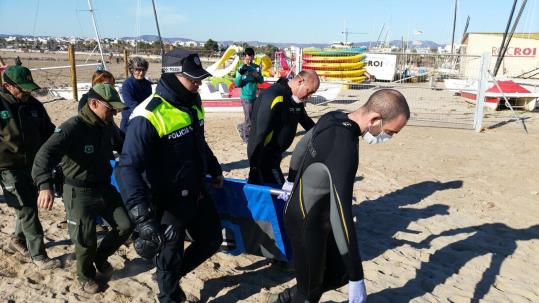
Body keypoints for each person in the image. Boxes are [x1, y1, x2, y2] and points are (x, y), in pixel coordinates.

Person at [266, 89, 410, 303]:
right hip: (306, 221)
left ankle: (290, 295)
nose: (389, 137)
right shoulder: (345, 148)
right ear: (375, 119)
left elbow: (301, 147)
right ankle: (289, 298)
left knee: (337, 274)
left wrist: (291, 179)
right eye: (390, 132)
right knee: (310, 293)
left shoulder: (332, 116)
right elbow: (342, 213)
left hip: (318, 214)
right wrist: (357, 277)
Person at [116, 48, 224, 303]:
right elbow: (127, 168)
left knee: (211, 239)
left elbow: (199, 140)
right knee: (168, 257)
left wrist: (214, 167)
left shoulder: (193, 102)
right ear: (173, 75)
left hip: (195, 191)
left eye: (199, 78)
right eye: (192, 78)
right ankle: (169, 291)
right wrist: (142, 218)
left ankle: (171, 275)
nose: (198, 83)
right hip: (165, 201)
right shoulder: (147, 115)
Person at [31, 83, 133, 294]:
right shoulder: (72, 127)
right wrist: (44, 185)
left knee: (125, 225)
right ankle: (85, 276)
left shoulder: (107, 125)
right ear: (93, 103)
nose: (114, 112)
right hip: (78, 192)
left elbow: (124, 145)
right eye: (110, 108)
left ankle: (100, 256)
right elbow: (44, 155)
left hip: (104, 188)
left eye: (116, 109)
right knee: (85, 240)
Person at [0, 65, 60, 269]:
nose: (27, 92)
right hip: (8, 167)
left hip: (34, 165)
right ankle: (38, 255)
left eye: (29, 88)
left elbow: (49, 132)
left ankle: (17, 238)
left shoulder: (34, 106)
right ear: (8, 86)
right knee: (27, 209)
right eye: (22, 88)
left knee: (29, 205)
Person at [247, 70, 319, 186]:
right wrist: (254, 167)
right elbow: (259, 134)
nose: (308, 97)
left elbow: (307, 123)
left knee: (277, 195)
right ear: (300, 82)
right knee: (281, 194)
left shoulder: (295, 99)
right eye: (309, 91)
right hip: (264, 158)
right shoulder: (274, 96)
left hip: (275, 156)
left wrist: (324, 134)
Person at [234, 47, 264, 143]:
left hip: (254, 97)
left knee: (253, 117)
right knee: (249, 118)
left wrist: (257, 76)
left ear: (253, 57)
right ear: (244, 57)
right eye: (247, 59)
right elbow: (237, 84)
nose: (249, 61)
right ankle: (246, 137)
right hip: (245, 97)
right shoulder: (240, 68)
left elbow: (261, 81)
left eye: (251, 59)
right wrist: (242, 75)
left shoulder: (256, 67)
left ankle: (241, 127)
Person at [120, 57, 152, 131]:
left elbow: (149, 100)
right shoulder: (127, 84)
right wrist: (144, 113)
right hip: (130, 119)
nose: (141, 72)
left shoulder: (147, 84)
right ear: (132, 70)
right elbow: (130, 103)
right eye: (138, 70)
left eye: (143, 70)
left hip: (144, 119)